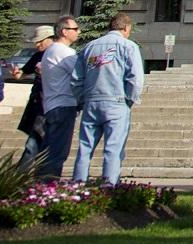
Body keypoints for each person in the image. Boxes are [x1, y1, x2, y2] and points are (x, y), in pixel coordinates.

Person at [71, 12, 145, 185]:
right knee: (113, 148)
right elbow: (135, 79)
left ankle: (77, 185)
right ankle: (109, 187)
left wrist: (82, 99)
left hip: (91, 101)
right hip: (116, 101)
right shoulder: (128, 46)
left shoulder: (89, 46)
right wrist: (129, 99)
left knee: (85, 148)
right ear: (126, 28)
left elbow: (76, 79)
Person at [38, 16, 82, 178]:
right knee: (57, 152)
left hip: (53, 105)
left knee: (49, 150)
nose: (79, 32)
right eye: (75, 29)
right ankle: (47, 188)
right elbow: (80, 73)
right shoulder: (63, 52)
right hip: (63, 106)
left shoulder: (52, 50)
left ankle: (41, 186)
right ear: (64, 31)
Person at [10, 24, 54, 170]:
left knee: (34, 141)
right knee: (35, 138)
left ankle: (22, 171)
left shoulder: (57, 54)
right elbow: (23, 73)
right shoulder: (37, 55)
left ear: (50, 39)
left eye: (40, 41)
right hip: (36, 102)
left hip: (49, 104)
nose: (37, 44)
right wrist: (17, 74)